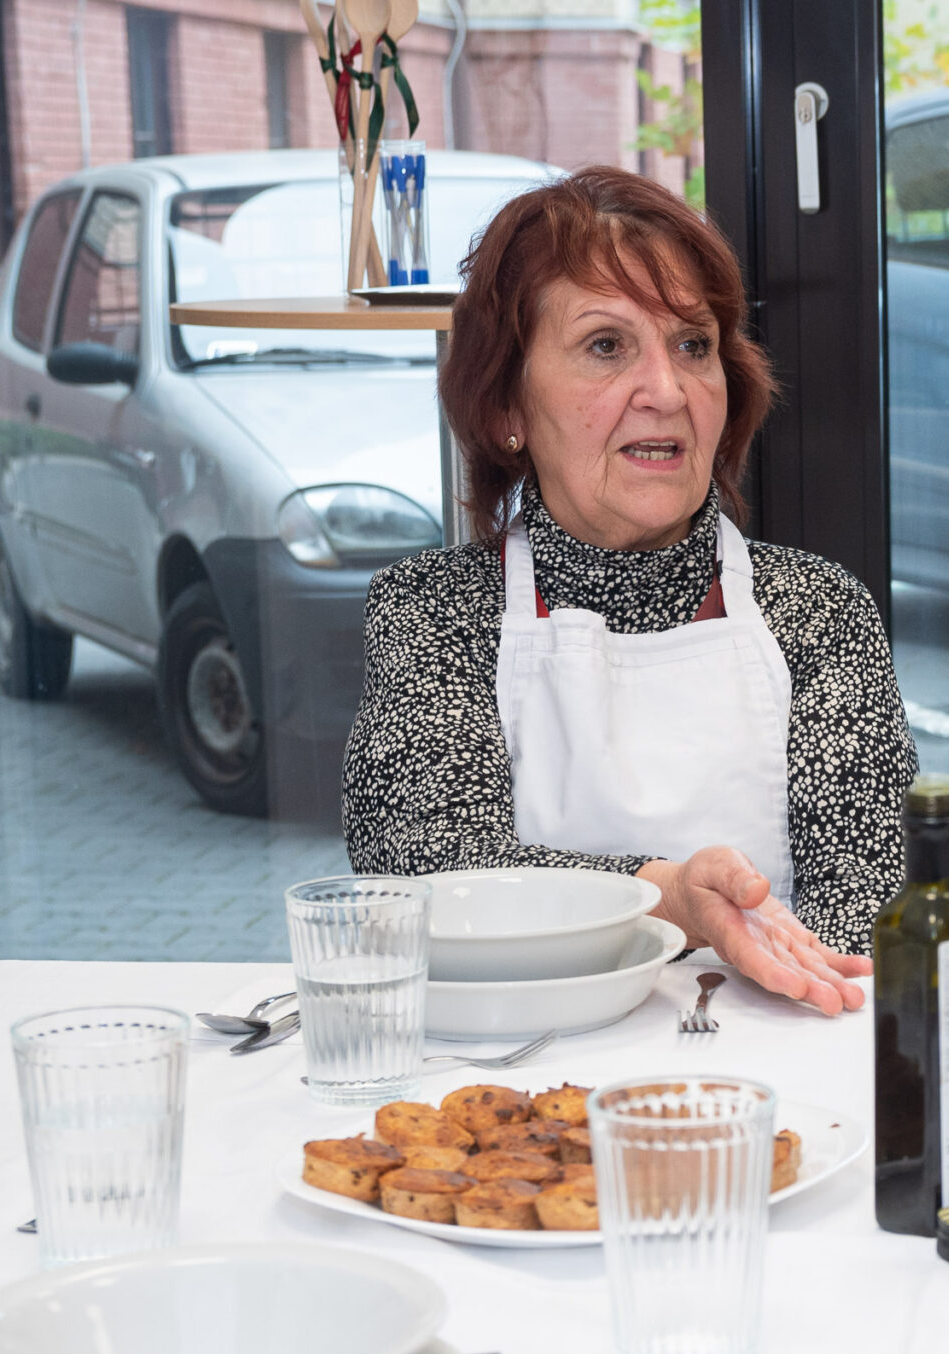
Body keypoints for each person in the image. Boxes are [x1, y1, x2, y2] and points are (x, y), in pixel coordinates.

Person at [343, 167, 916, 1013]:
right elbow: (431, 874)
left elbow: (863, 926)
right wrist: (670, 897)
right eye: (607, 346)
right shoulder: (437, 612)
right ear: (506, 407)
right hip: (517, 1059)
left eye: (693, 345)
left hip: (772, 1055)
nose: (668, 391)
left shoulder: (816, 612)